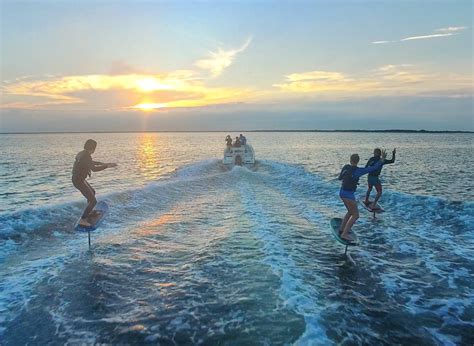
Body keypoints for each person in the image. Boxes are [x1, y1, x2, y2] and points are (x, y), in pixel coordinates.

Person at [338, 152, 386, 242]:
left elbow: (340, 178)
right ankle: (344, 234)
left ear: (350, 160)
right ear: (358, 161)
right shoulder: (359, 171)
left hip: (342, 193)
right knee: (355, 215)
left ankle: (341, 229)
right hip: (349, 195)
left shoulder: (346, 167)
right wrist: (382, 160)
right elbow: (373, 168)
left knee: (350, 212)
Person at [72, 139, 117, 227]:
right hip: (78, 181)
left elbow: (89, 163)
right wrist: (107, 166)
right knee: (93, 201)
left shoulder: (83, 153)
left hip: (78, 179)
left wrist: (102, 163)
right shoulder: (86, 155)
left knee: (92, 192)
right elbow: (94, 169)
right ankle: (83, 219)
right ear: (93, 148)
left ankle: (89, 211)